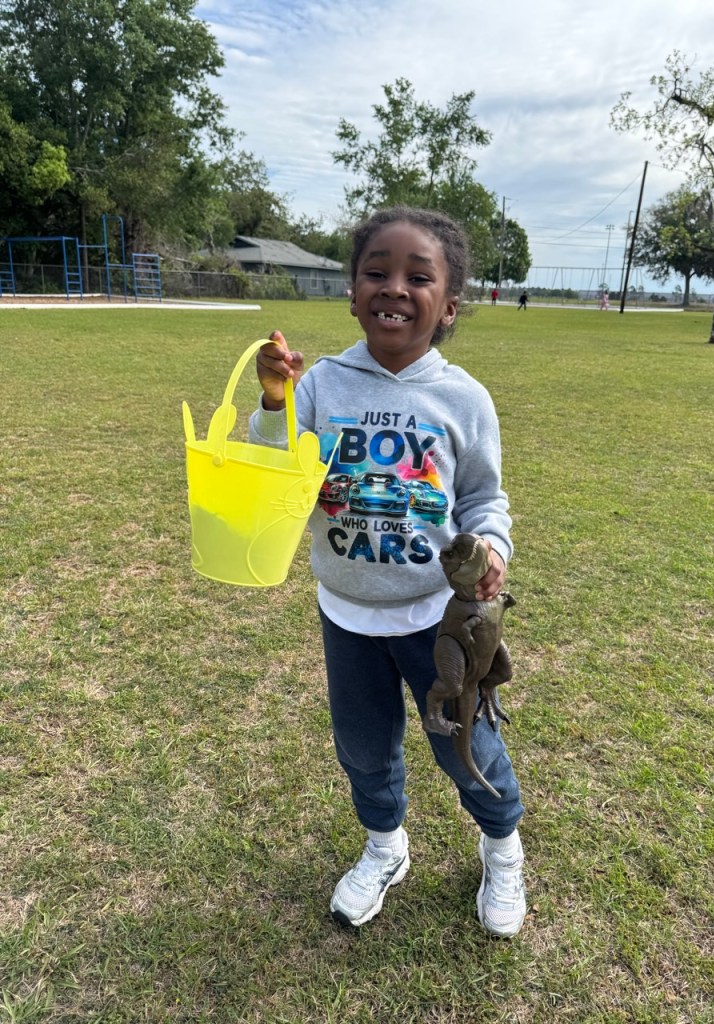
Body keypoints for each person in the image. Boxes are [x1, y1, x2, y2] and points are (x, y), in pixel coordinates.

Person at [249, 207, 526, 937]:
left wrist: (491, 550)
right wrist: (275, 402)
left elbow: (483, 498)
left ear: (451, 304)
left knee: (465, 743)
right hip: (347, 613)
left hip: (436, 618)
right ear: (351, 291)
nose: (394, 287)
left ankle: (502, 846)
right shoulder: (323, 386)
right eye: (377, 271)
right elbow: (278, 471)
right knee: (364, 749)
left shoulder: (463, 397)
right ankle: (384, 848)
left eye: (417, 276)